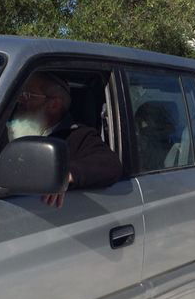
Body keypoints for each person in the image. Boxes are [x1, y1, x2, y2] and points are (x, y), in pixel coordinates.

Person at [8, 71, 122, 207]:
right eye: (20, 94)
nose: (20, 100)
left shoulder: (78, 135)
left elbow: (110, 164)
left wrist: (63, 174)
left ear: (54, 104)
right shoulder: (7, 126)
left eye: (27, 95)